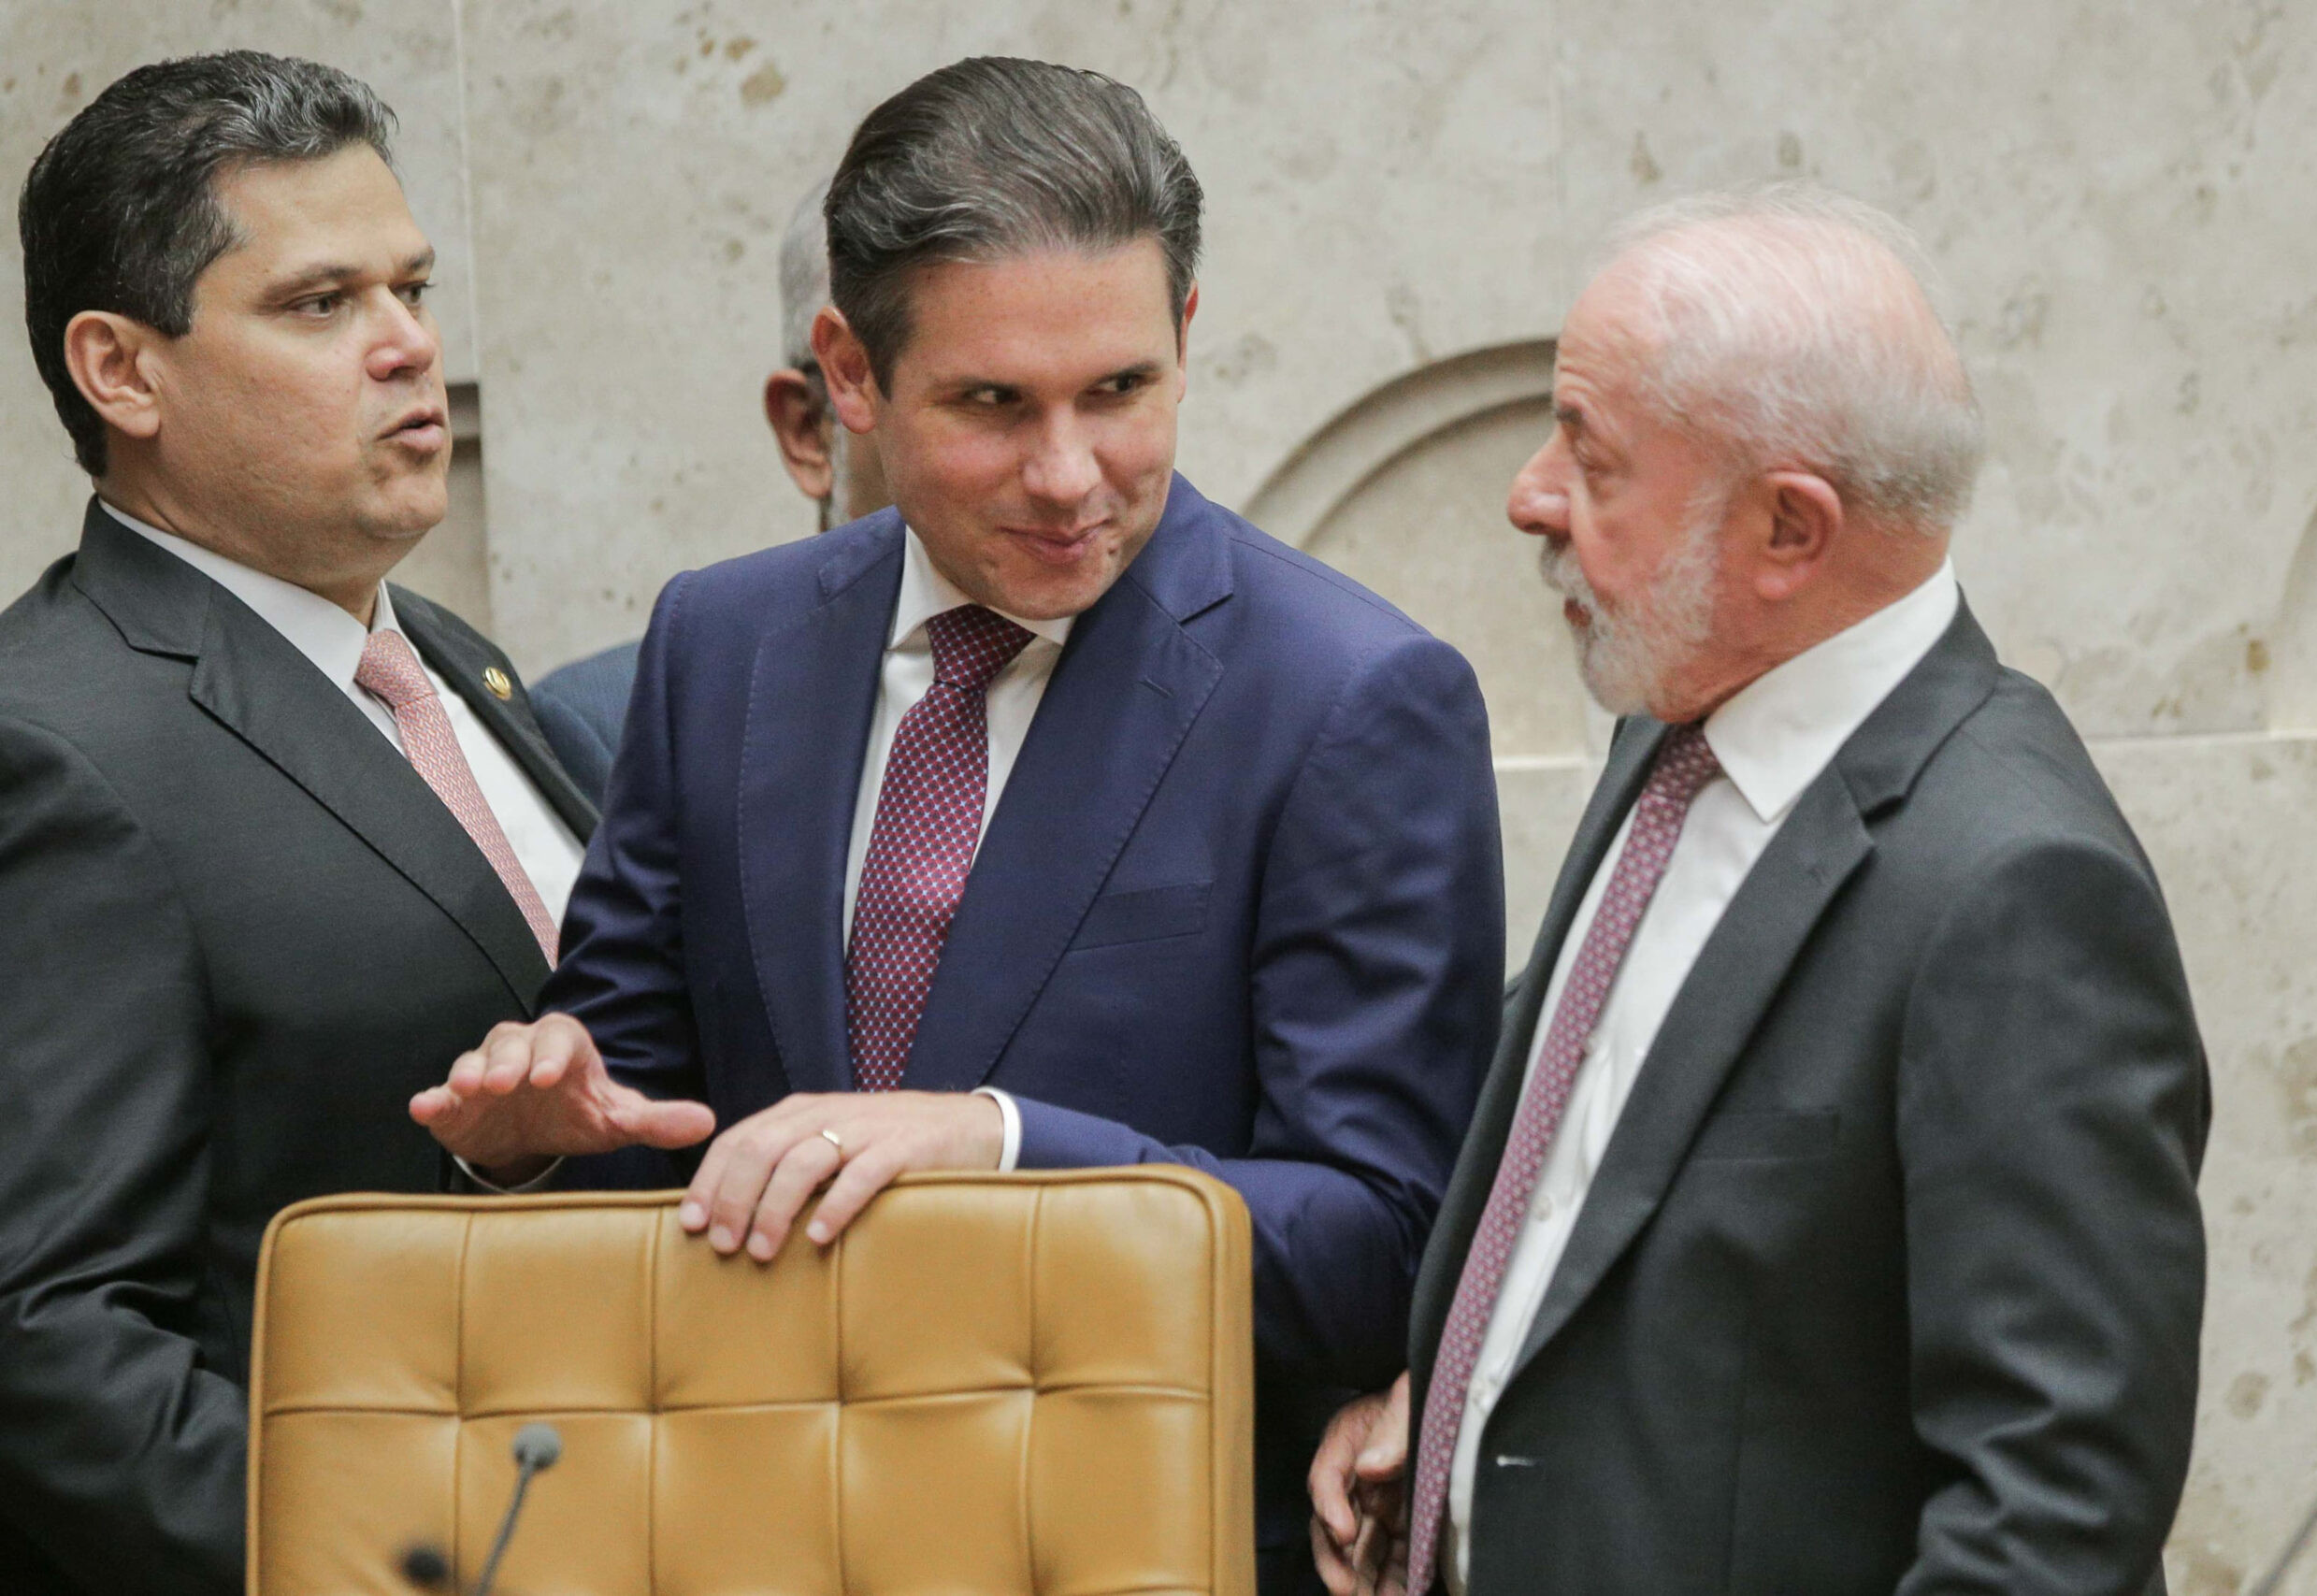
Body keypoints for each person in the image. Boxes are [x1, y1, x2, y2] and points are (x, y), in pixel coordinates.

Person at [411, 56, 1505, 1593]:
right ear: (848, 373)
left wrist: (997, 1146)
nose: (1068, 475)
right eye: (994, 404)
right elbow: (643, 1125)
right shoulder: (720, 643)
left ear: (1186, 337)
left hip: (1136, 1543)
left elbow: (1389, 1247)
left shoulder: (1352, 696)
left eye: (1119, 392)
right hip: (746, 1538)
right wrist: (530, 1151)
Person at [1308, 187, 2209, 1596]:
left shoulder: (2021, 893)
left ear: (1788, 530)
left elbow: (2052, 1515)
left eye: (1592, 456)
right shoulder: (1682, 715)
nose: (1529, 494)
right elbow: (1598, 1190)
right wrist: (1450, 1386)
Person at [0, 52, 613, 1595]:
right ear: (121, 371)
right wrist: (435, 1568)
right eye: (322, 303)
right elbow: (51, 1341)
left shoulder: (448, 661)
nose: (409, 344)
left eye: (412, 286)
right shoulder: (45, 746)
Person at [529, 179, 892, 797]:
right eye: (982, 398)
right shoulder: (627, 733)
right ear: (808, 428)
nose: (1055, 473)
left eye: (1075, 394)